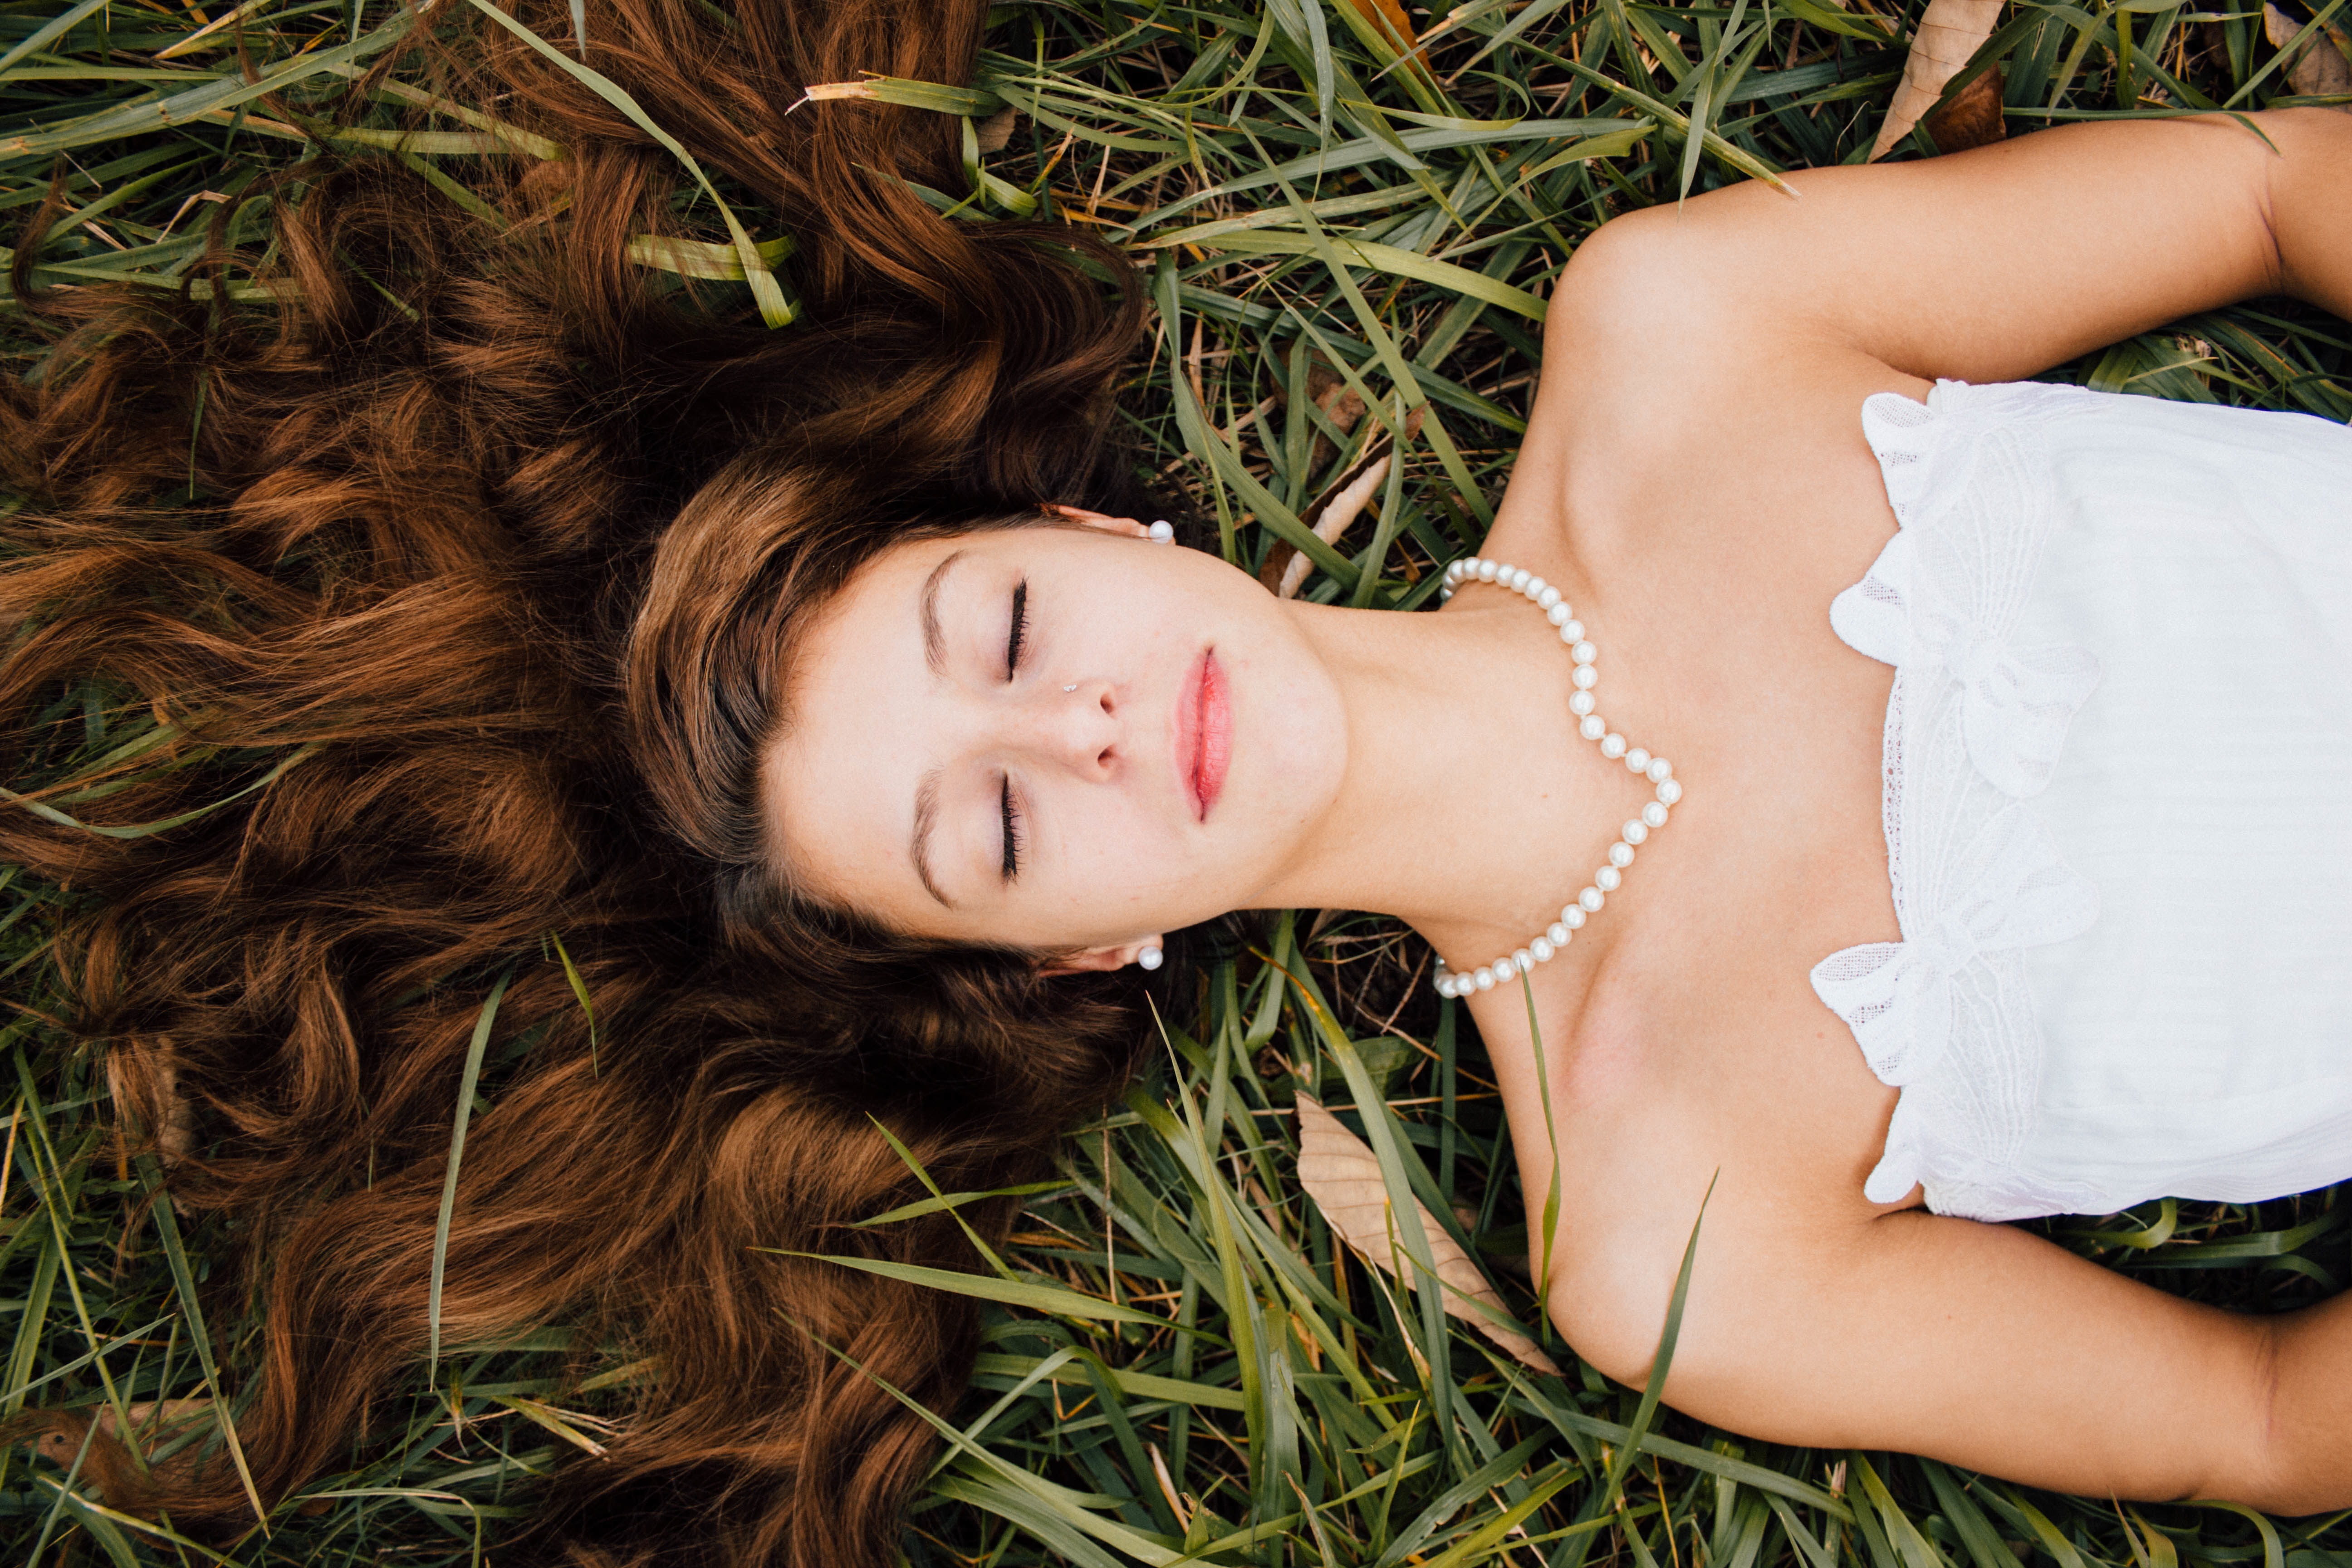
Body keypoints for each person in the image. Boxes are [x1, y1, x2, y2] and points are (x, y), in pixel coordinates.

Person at [0, 0, 2346, 1563]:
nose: (1084, 726)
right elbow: (2264, 1433)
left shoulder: (1687, 331)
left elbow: (2264, 193)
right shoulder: (1668, 1242)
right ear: (1066, 959)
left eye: (1002, 637)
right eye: (997, 825)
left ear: (1079, 527)